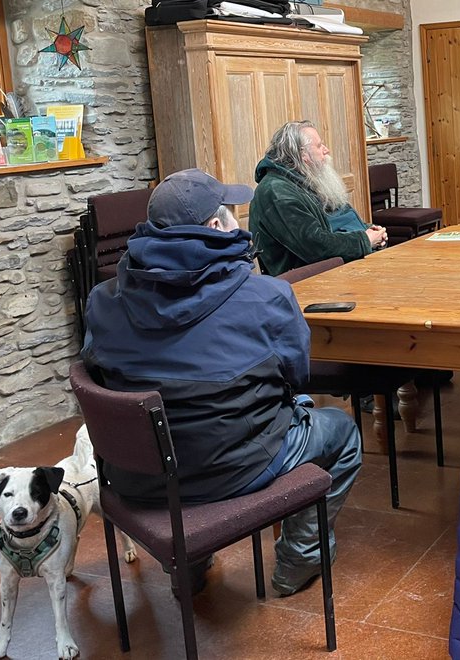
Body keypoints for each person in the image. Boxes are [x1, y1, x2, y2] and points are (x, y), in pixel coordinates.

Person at [82, 168, 362, 596]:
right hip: (236, 467)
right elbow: (297, 377)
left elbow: (103, 376)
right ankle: (299, 559)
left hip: (140, 475)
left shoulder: (102, 303)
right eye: (231, 213)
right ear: (216, 227)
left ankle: (187, 569)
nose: (237, 221)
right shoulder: (264, 297)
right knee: (342, 432)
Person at [249, 120, 388, 275]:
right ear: (302, 154)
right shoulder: (276, 192)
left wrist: (369, 230)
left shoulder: (304, 180)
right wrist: (365, 240)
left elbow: (339, 218)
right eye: (319, 145)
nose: (326, 150)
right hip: (307, 283)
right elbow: (315, 246)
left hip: (338, 271)